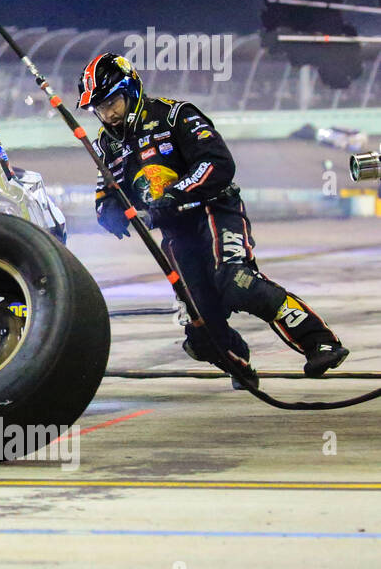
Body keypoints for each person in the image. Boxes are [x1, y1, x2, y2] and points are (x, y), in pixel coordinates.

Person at [79, 52, 349, 381]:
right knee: (199, 329)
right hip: (177, 234)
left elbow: (218, 163)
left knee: (237, 283)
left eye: (113, 103)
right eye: (100, 109)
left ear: (132, 91)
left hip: (214, 210)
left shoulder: (175, 115)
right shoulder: (106, 145)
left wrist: (174, 194)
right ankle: (237, 361)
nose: (108, 115)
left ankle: (320, 342)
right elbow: (104, 199)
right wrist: (112, 216)